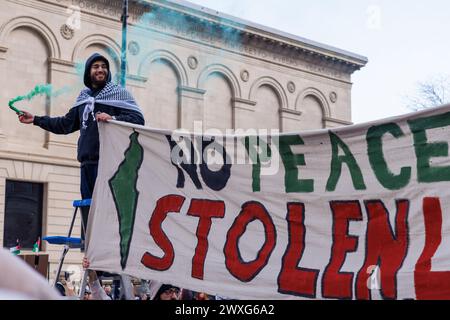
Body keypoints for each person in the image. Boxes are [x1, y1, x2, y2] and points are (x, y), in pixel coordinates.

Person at [18, 53, 145, 240]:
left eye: (104, 66)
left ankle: (109, 262)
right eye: (96, 66)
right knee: (89, 210)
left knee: (108, 209)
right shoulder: (83, 98)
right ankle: (92, 255)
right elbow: (64, 124)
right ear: (88, 72)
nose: (100, 69)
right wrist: (36, 119)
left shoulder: (119, 94)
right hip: (86, 163)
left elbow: (138, 119)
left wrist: (113, 118)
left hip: (109, 163)